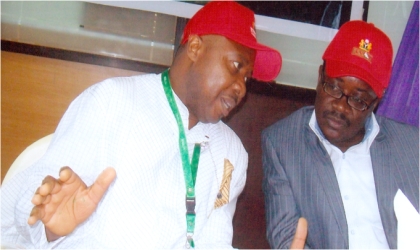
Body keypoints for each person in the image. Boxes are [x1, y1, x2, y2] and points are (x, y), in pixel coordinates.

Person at [1, 2, 284, 249]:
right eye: (236, 67)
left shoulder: (231, 152)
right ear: (196, 48)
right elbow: (33, 198)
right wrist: (51, 226)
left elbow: (213, 242)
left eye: (247, 78)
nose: (240, 89)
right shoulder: (112, 101)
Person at [262, 20, 419, 249]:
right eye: (334, 87)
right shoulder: (282, 143)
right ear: (320, 76)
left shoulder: (412, 146)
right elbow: (287, 237)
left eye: (358, 99)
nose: (340, 107)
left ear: (376, 102)